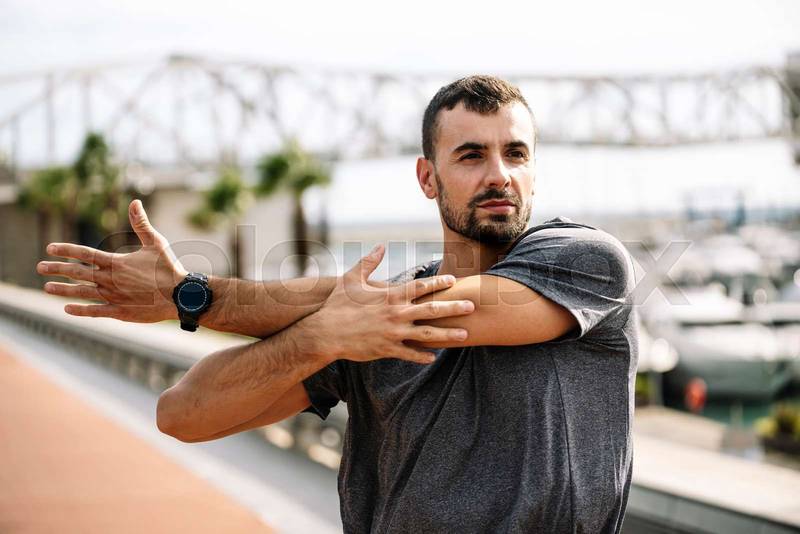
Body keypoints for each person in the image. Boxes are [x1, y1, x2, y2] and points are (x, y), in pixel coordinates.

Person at [36, 75, 638, 533]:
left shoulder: (586, 260)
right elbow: (182, 415)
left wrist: (188, 296)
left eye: (517, 154)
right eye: (472, 155)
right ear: (428, 179)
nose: (500, 174)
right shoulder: (354, 323)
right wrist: (318, 339)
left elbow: (434, 308)